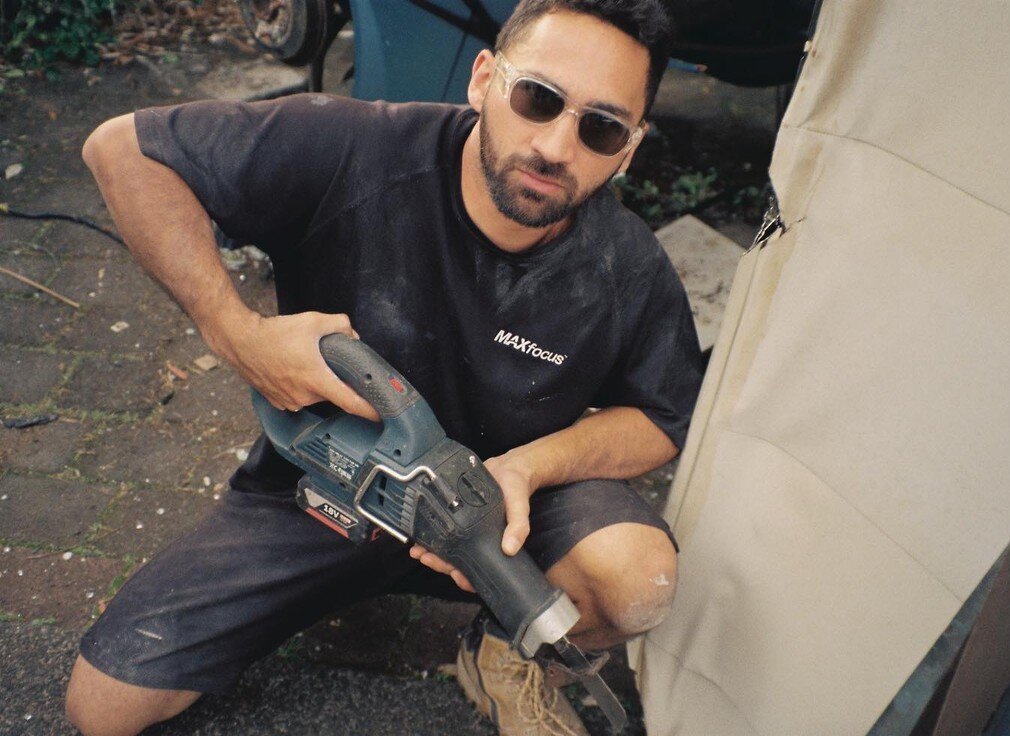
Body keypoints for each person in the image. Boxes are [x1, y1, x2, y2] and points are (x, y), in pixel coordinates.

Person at [65, 1, 703, 734]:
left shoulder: (627, 267)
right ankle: (327, 581)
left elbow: (662, 418)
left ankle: (501, 651)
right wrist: (235, 331)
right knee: (103, 708)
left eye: (601, 127)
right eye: (537, 99)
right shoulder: (358, 148)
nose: (557, 146)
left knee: (635, 580)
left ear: (629, 146)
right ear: (484, 79)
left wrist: (526, 471)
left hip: (503, 514)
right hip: (327, 489)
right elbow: (122, 150)